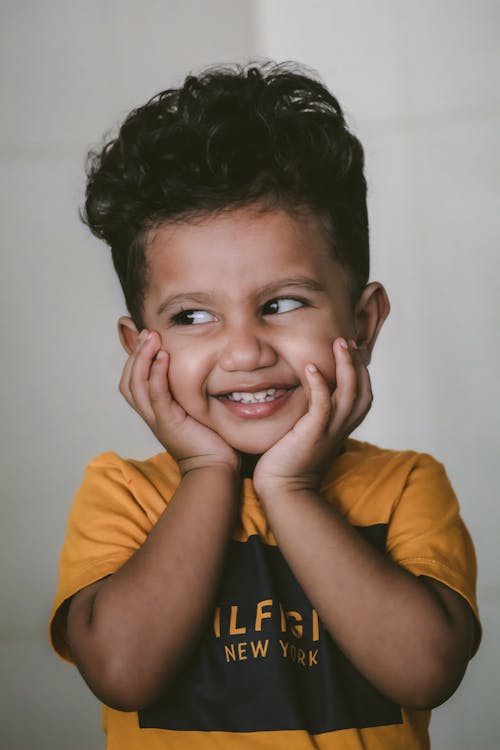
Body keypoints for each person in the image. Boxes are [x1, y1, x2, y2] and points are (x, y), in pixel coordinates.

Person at [49, 62, 480, 749]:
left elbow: (426, 671)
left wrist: (291, 489)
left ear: (363, 324)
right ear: (139, 347)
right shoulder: (122, 492)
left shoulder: (406, 487)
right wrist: (204, 473)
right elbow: (122, 671)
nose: (244, 351)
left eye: (281, 304)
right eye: (193, 317)